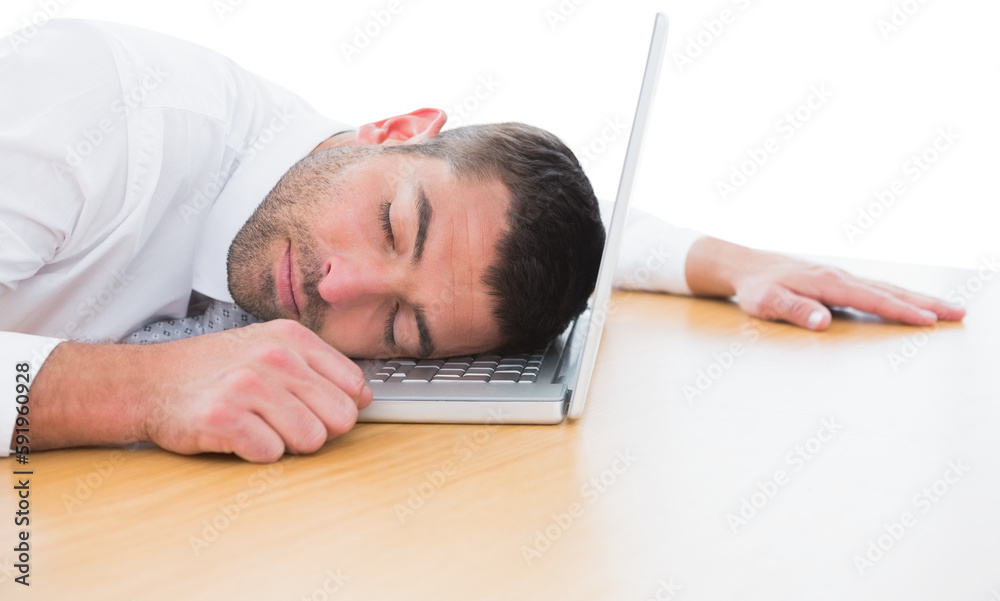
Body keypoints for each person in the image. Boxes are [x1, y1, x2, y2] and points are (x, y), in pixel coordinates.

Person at [0, 20, 964, 463]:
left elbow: (475, 249)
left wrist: (730, 262)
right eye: (391, 224)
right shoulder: (98, 114)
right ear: (395, 124)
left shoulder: (348, 189)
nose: (341, 289)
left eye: (404, 331)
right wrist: (147, 391)